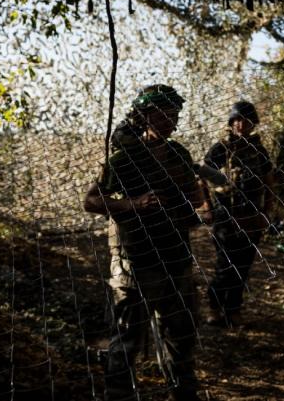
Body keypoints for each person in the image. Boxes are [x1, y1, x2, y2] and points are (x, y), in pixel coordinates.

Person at [84, 84, 209, 401]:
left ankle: (182, 390)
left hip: (177, 256)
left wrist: (196, 196)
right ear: (143, 116)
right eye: (162, 115)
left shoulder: (179, 153)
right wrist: (135, 204)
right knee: (127, 338)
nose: (169, 121)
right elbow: (91, 201)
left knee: (182, 332)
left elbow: (194, 197)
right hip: (137, 261)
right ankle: (120, 394)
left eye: (174, 115)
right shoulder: (124, 159)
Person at [204, 100, 274, 327]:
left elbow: (268, 180)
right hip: (226, 217)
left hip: (252, 217)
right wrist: (207, 208)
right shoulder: (220, 149)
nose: (242, 124)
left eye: (247, 120)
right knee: (225, 265)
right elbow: (202, 177)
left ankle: (234, 310)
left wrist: (267, 211)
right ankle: (214, 308)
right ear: (232, 122)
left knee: (243, 266)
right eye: (238, 120)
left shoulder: (258, 150)